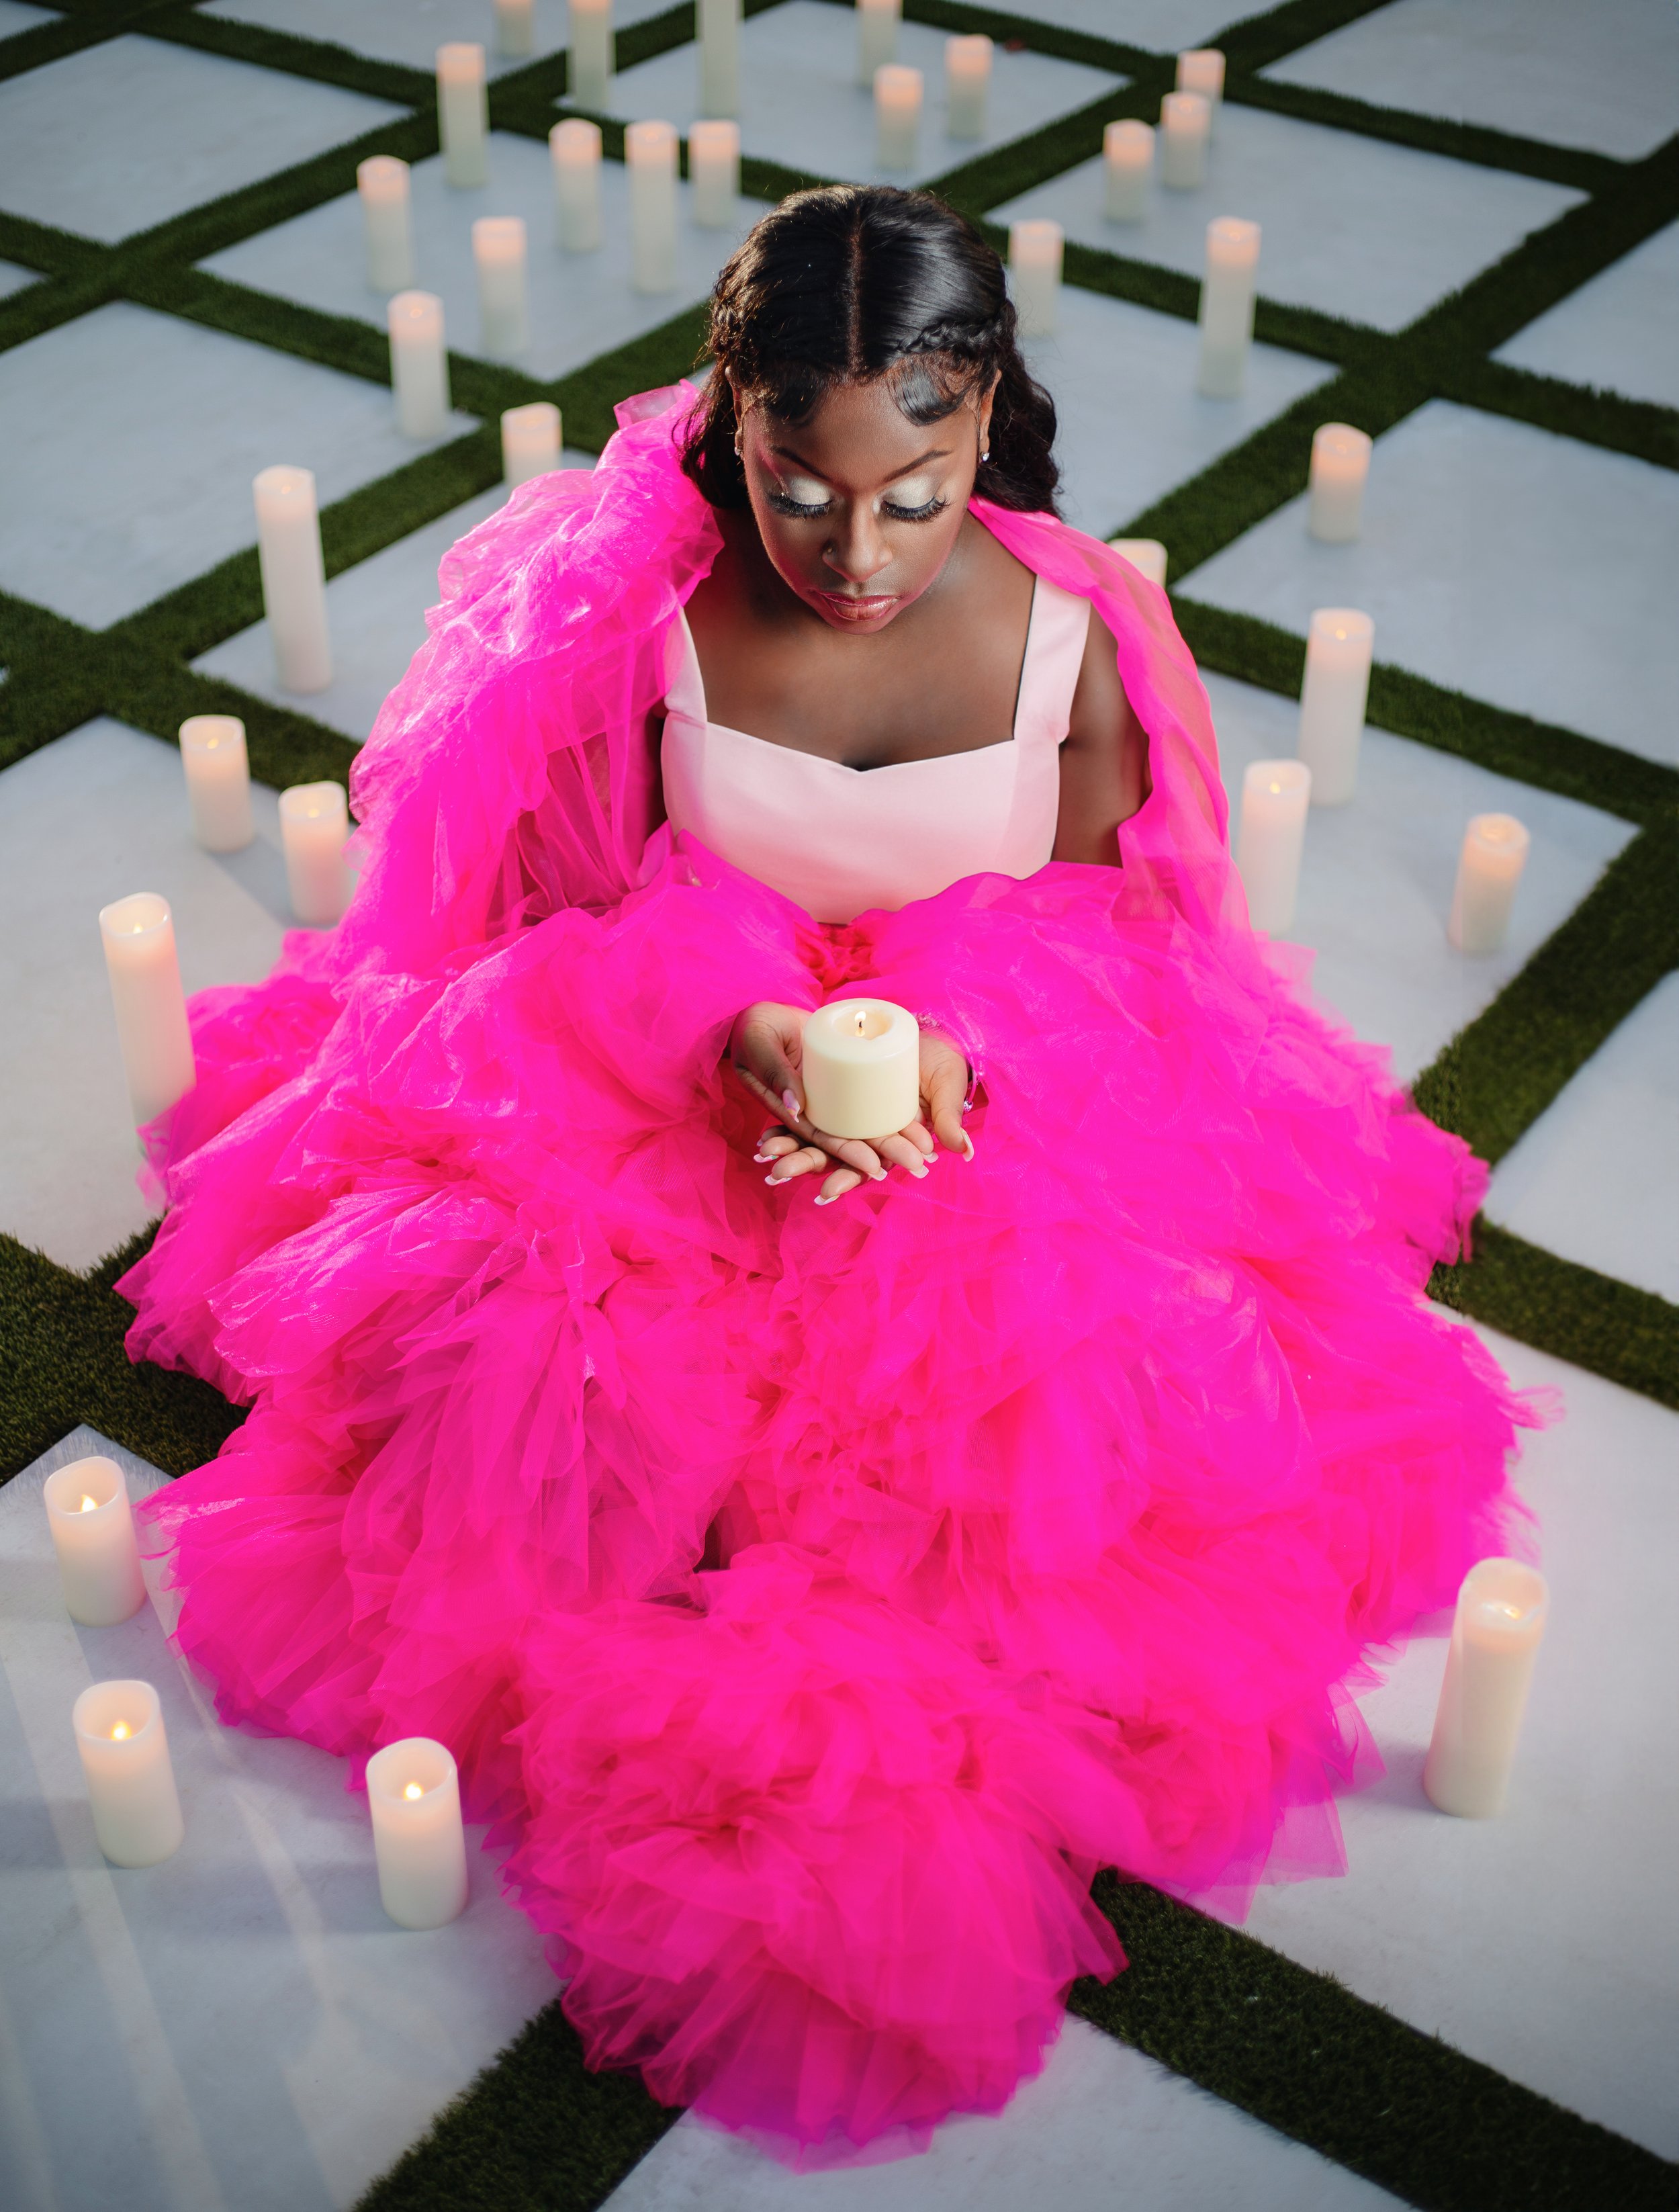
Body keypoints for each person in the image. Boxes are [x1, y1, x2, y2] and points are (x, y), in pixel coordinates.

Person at [120, 186, 1533, 2164]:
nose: (854, 554)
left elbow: (1112, 917)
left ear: (984, 433)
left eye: (917, 493)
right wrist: (738, 1030)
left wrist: (954, 1041)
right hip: (656, 1051)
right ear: (736, 427)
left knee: (1068, 1427)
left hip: (998, 1073)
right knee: (544, 1383)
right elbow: (550, 913)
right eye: (801, 492)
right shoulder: (640, 619)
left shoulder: (1070, 631)